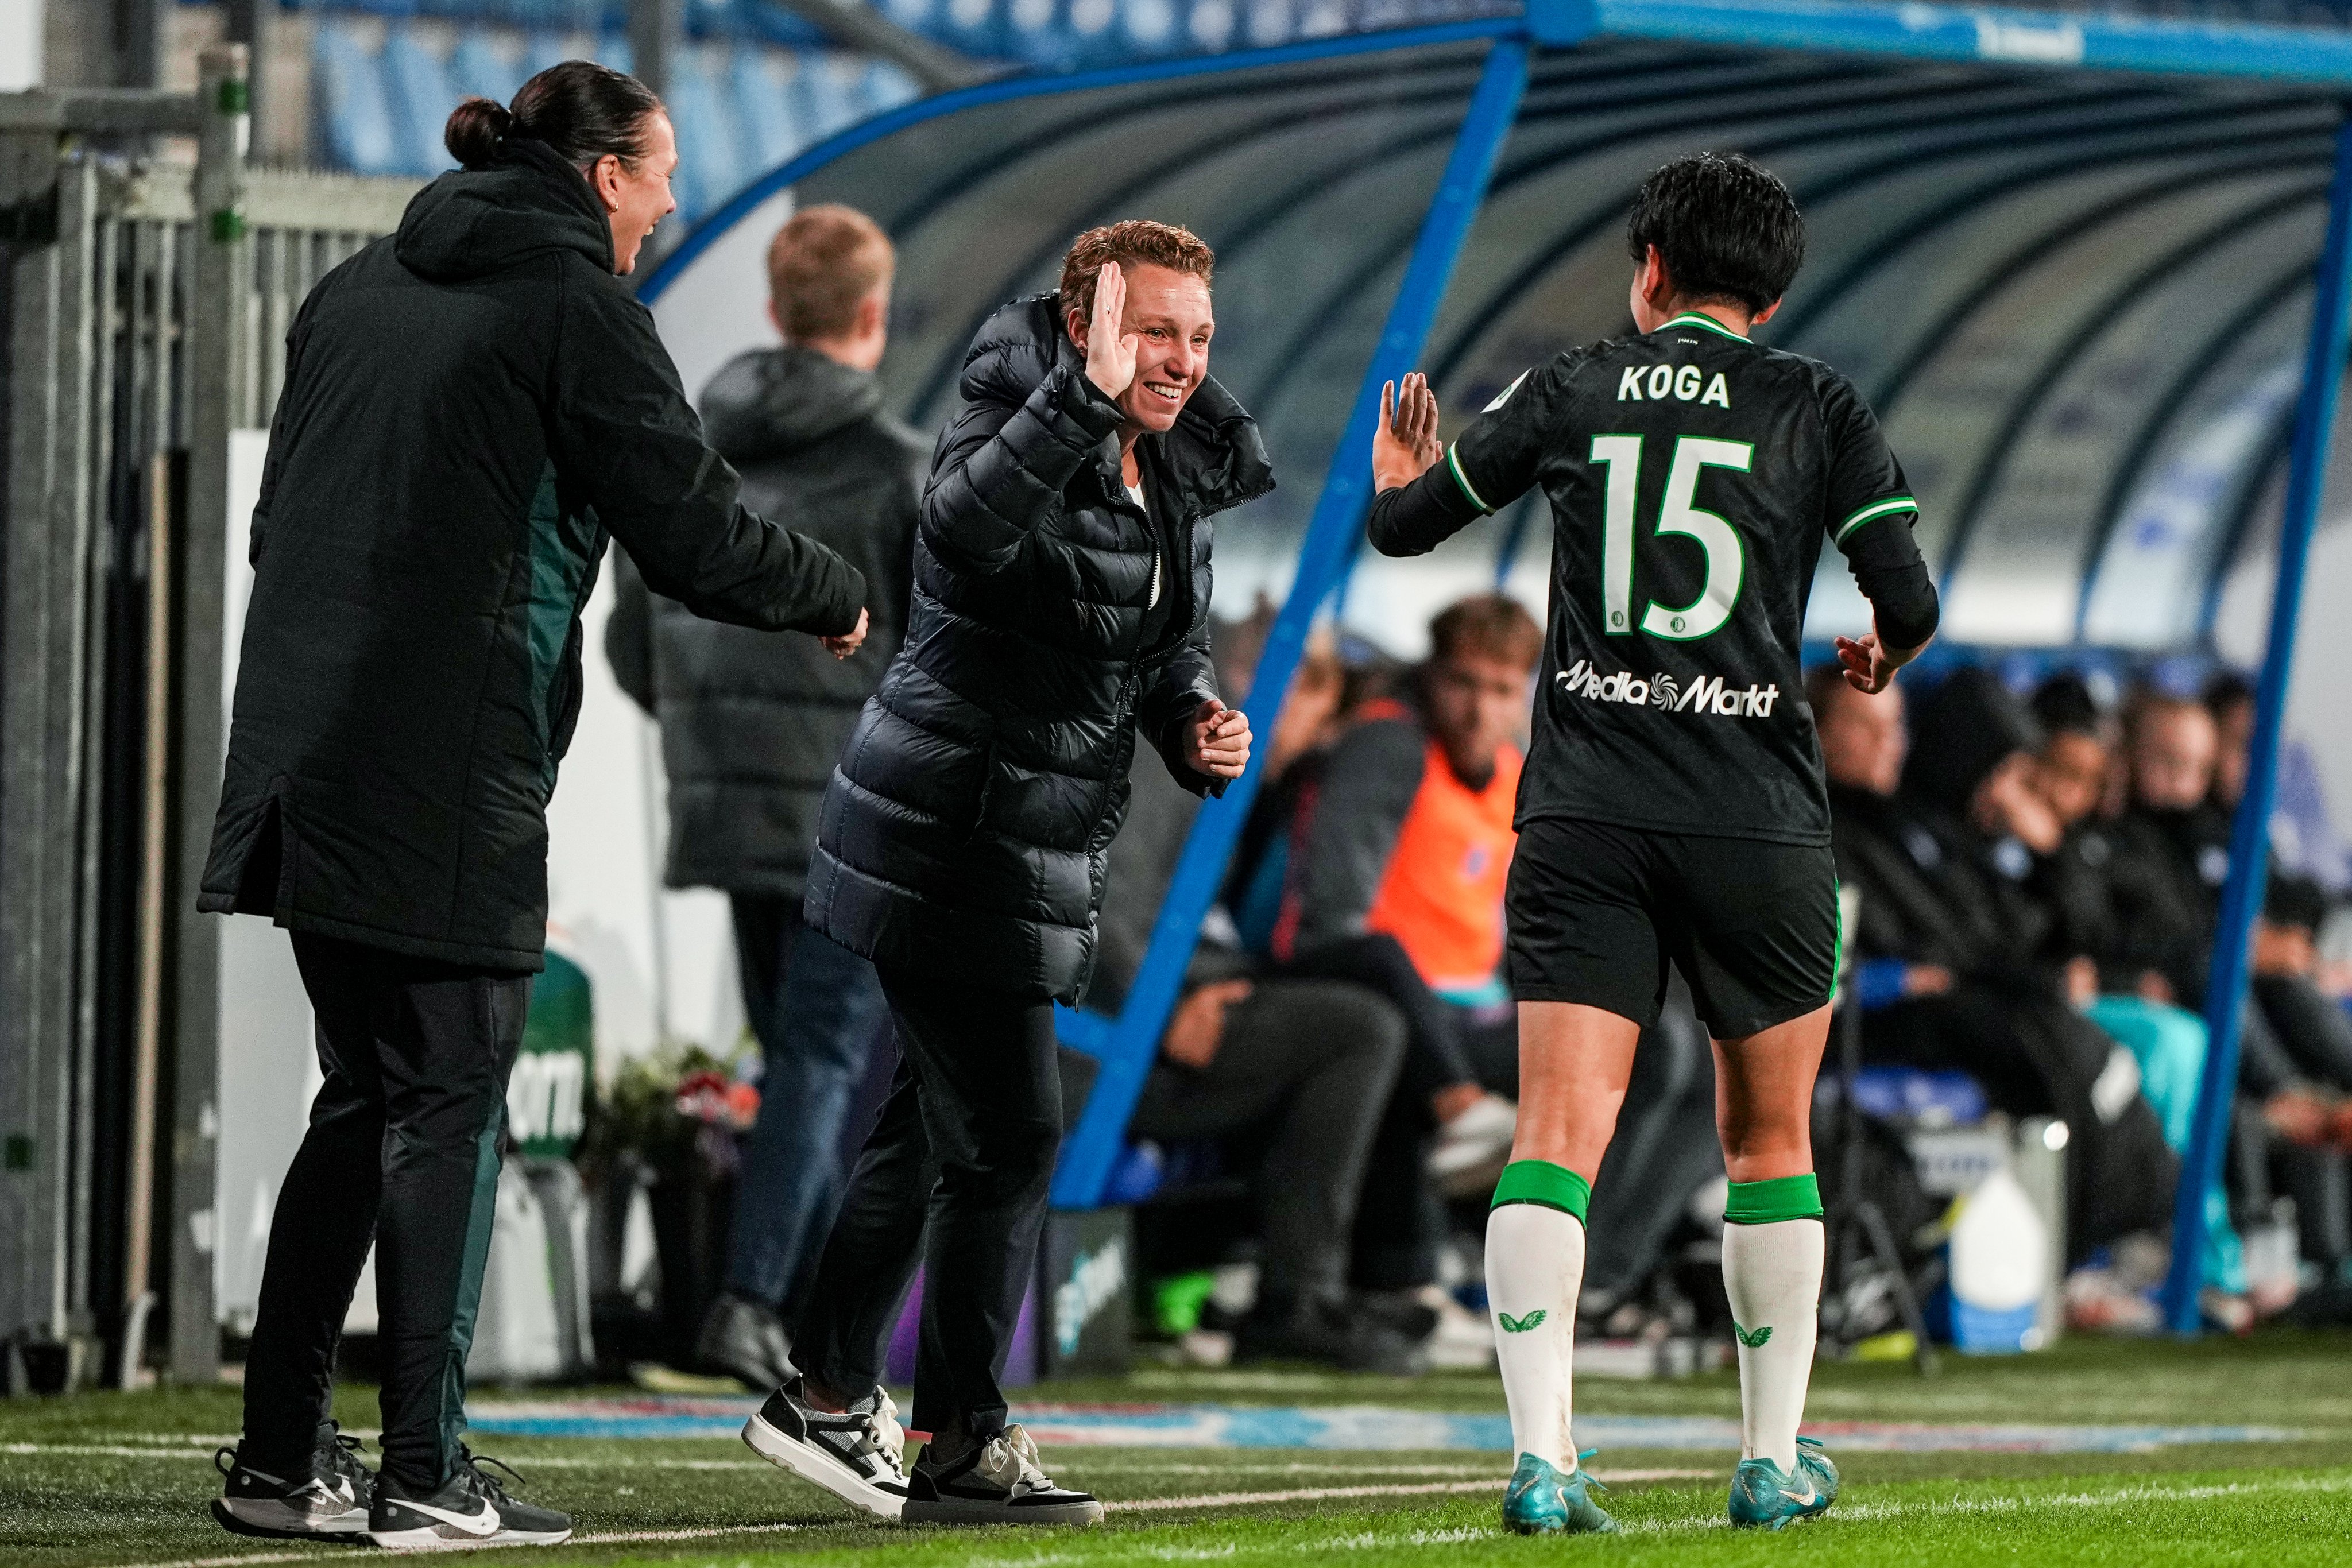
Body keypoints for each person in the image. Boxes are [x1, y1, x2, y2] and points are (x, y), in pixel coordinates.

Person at [202, 64, 869, 1552]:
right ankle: (426, 1467)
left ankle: (278, 1454)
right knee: (445, 1097)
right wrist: (836, 590)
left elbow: (272, 529)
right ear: (602, 176)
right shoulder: (578, 308)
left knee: (367, 1092)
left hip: (304, 751)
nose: (676, 199)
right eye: (661, 171)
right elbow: (691, 534)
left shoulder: (358, 290)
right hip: (446, 763)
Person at [1365, 152, 1939, 1534]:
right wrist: (1875, 651)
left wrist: (1397, 478)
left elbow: (1403, 528)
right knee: (1770, 1141)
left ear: (1650, 272)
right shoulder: (1820, 406)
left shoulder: (1575, 384)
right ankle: (1767, 1457)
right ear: (1777, 291)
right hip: (1756, 820)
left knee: (1557, 1135)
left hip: (1587, 816)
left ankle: (1544, 1461)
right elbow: (1907, 596)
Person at [740, 222, 1268, 1528]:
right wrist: (1076, 401)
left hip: (1017, 836)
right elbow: (965, 533)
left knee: (936, 1122)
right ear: (1089, 318)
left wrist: (1195, 714)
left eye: (1199, 337)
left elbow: (1155, 638)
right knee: (1017, 1133)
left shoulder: (1176, 457)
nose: (1182, 362)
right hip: (950, 828)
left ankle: (820, 1388)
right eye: (1154, 332)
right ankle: (963, 1438)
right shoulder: (1006, 393)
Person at [605, 204, 923, 1388]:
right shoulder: (898, 467)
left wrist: (721, 735)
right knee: (823, 1058)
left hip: (729, 808)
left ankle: (773, 1305)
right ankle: (751, 1304)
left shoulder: (701, 448)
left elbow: (635, 648)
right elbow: (935, 658)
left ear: (777, 309)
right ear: (872, 315)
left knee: (793, 1052)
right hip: (855, 811)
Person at [1096, 730, 1422, 1373]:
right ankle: (1297, 1293)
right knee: (1361, 1027)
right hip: (1096, 1037)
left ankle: (1327, 1281)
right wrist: (1163, 1010)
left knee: (1370, 1002)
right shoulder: (1160, 742)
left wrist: (1212, 981)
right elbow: (1103, 905)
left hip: (1144, 1003)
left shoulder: (1190, 754)